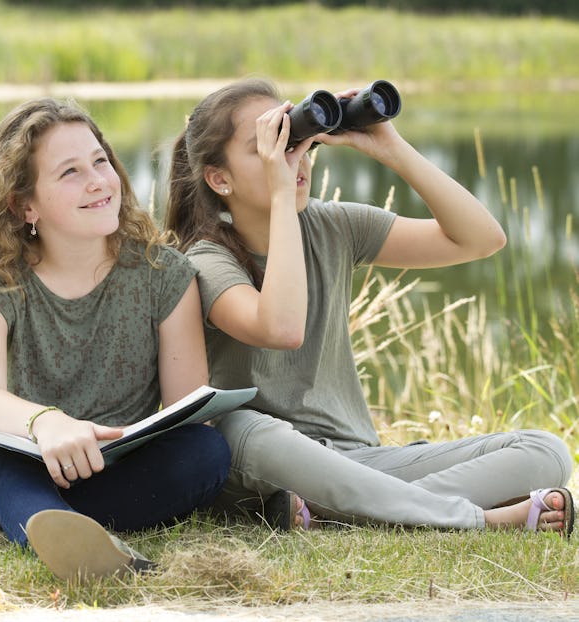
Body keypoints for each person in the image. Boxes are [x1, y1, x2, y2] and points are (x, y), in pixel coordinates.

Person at [164, 77, 575, 537]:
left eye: (295, 139)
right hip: (263, 462)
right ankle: (476, 520)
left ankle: (337, 512)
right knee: (244, 427)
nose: (292, 159)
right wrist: (283, 195)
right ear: (220, 179)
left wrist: (390, 148)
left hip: (358, 457)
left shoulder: (333, 226)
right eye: (268, 146)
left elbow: (481, 239)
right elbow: (282, 328)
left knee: (546, 450)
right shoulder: (205, 260)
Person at [0, 97, 233, 580]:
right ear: (24, 204)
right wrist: (48, 424)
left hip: (119, 472)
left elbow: (185, 410)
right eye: (69, 172)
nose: (97, 181)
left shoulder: (165, 274)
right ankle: (68, 539)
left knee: (204, 453)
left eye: (100, 161)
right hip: (18, 467)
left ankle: (17, 530)